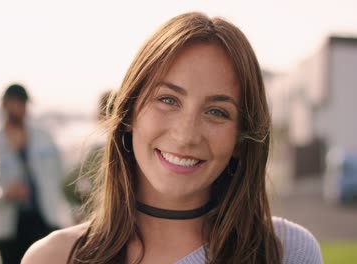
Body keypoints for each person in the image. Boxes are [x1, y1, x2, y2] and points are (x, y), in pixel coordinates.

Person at [22, 12, 322, 264]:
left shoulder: (287, 251)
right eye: (167, 100)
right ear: (128, 114)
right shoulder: (55, 257)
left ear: (241, 141)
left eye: (217, 111)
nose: (186, 135)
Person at [0, 84, 71, 264]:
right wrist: (5, 193)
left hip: (45, 218)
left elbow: (62, 175)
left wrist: (72, 209)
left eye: (24, 103)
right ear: (4, 105)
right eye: (16, 103)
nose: (21, 108)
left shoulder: (43, 138)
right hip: (9, 227)